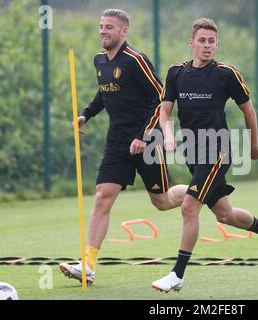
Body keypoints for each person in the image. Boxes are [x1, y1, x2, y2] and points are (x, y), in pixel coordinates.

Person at [151, 18, 258, 293]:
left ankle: (177, 274)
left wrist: (253, 145)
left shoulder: (226, 74)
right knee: (225, 214)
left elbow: (249, 110)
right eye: (202, 40)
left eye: (212, 41)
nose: (207, 46)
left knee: (189, 207)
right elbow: (164, 110)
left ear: (216, 44)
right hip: (192, 151)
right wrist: (169, 133)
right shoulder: (176, 72)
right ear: (192, 43)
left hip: (218, 150)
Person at [59, 9, 187, 284]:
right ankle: (88, 265)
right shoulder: (99, 61)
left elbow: (162, 99)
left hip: (148, 141)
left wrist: (144, 135)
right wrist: (87, 114)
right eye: (101, 27)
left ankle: (199, 191)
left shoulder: (136, 60)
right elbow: (104, 94)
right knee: (103, 196)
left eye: (109, 27)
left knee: (162, 201)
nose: (103, 31)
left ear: (123, 31)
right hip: (117, 140)